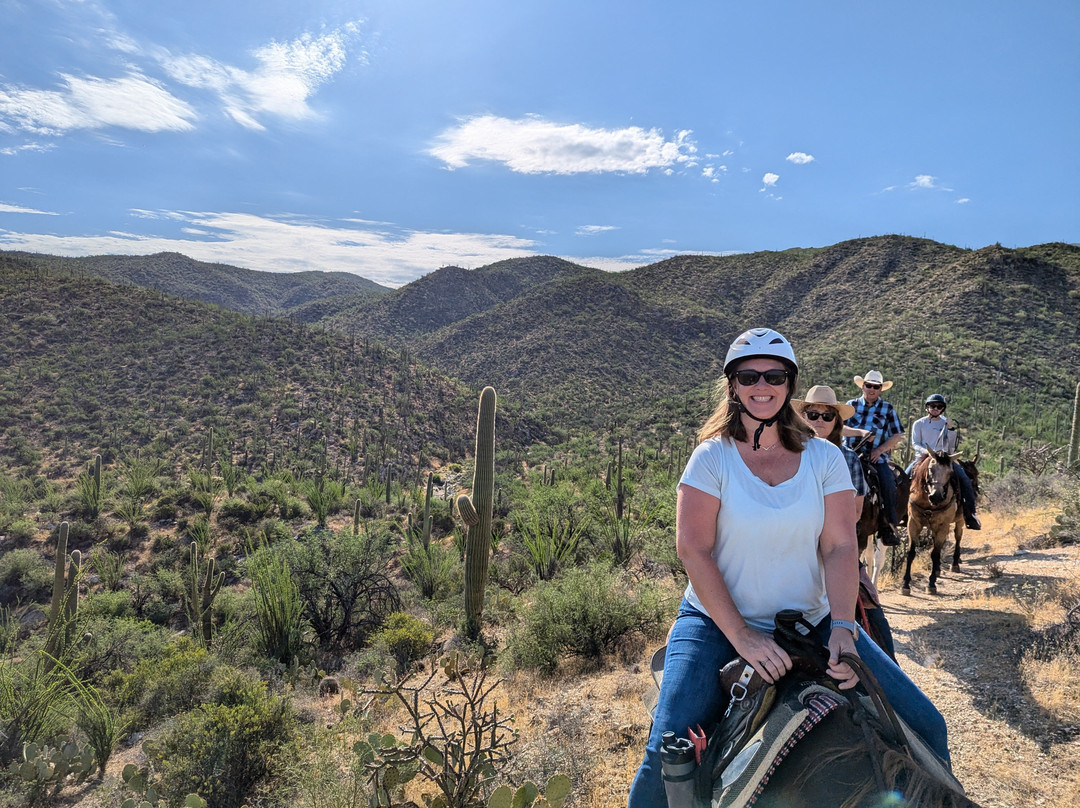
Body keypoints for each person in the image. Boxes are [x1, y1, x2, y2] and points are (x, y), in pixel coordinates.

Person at [628, 330, 949, 808]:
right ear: (733, 385)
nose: (763, 385)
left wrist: (842, 626)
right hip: (716, 622)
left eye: (774, 375)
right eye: (749, 375)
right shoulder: (711, 458)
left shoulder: (823, 458)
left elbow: (840, 546)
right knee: (668, 744)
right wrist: (743, 637)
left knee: (927, 724)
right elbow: (693, 549)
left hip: (811, 620)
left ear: (788, 383)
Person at [793, 385, 896, 660]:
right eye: (812, 414)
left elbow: (854, 513)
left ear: (837, 422)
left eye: (827, 416)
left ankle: (889, 669)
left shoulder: (847, 457)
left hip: (835, 548)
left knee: (869, 604)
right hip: (792, 548)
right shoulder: (786, 454)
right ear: (801, 417)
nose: (819, 421)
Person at [844, 370, 904, 540]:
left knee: (888, 485)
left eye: (876, 387)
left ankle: (888, 525)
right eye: (868, 385)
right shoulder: (850, 406)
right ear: (862, 386)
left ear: (880, 389)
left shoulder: (887, 408)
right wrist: (860, 432)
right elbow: (838, 428)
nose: (871, 389)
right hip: (849, 455)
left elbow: (897, 435)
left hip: (875, 458)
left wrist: (879, 450)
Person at [907, 393, 981, 530]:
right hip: (923, 458)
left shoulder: (946, 423)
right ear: (927, 407)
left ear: (942, 409)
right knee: (904, 478)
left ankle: (970, 514)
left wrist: (951, 429)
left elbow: (951, 447)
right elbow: (915, 443)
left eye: (939, 406)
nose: (935, 408)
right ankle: (900, 513)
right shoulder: (919, 424)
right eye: (932, 406)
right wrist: (927, 453)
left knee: (965, 479)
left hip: (944, 460)